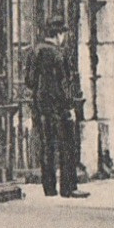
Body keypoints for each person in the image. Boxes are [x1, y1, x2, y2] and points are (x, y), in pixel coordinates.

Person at [26, 17, 85, 198]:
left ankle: (49, 188)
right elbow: (66, 83)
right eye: (64, 33)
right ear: (59, 34)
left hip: (41, 107)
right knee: (67, 147)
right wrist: (71, 106)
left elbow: (29, 81)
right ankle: (67, 188)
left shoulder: (35, 52)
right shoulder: (60, 54)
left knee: (47, 147)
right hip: (59, 108)